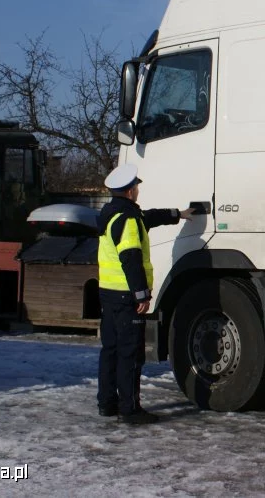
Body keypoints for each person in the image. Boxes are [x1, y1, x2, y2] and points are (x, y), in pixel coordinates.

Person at [96, 162, 193, 424]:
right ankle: (130, 409)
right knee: (130, 354)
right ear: (129, 192)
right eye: (136, 186)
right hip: (127, 296)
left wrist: (178, 214)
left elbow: (148, 217)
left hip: (109, 293)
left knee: (111, 350)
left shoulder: (113, 214)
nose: (138, 190)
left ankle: (107, 403)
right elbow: (131, 258)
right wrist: (142, 295)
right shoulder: (128, 220)